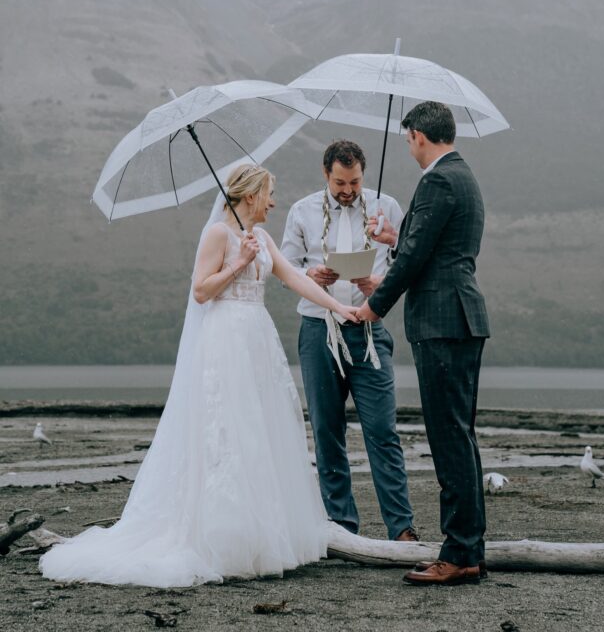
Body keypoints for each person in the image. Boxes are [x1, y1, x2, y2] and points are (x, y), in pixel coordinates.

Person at [40, 164, 359, 587]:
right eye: (269, 193)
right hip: (225, 340)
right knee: (226, 433)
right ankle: (225, 539)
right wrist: (239, 262)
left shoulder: (261, 237)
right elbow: (201, 290)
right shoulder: (218, 235)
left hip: (257, 341)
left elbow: (295, 278)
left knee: (259, 433)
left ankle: (262, 533)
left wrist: (339, 308)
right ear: (249, 196)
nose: (274, 201)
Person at [356, 102, 490, 586]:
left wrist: (374, 306)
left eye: (408, 137)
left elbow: (414, 260)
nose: (408, 145)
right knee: (460, 435)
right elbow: (427, 245)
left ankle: (457, 554)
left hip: (442, 320)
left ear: (416, 135)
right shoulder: (463, 175)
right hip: (460, 316)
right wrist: (395, 235)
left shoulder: (436, 180)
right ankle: (468, 549)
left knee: (449, 438)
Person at [280, 140, 416, 542]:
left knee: (382, 430)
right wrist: (312, 278)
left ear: (363, 173)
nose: (348, 190)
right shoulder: (301, 211)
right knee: (327, 429)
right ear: (326, 174)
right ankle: (341, 526)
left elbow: (405, 263)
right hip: (318, 329)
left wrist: (380, 284)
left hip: (368, 329)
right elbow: (287, 268)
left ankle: (401, 528)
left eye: (354, 181)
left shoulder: (386, 206)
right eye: (340, 182)